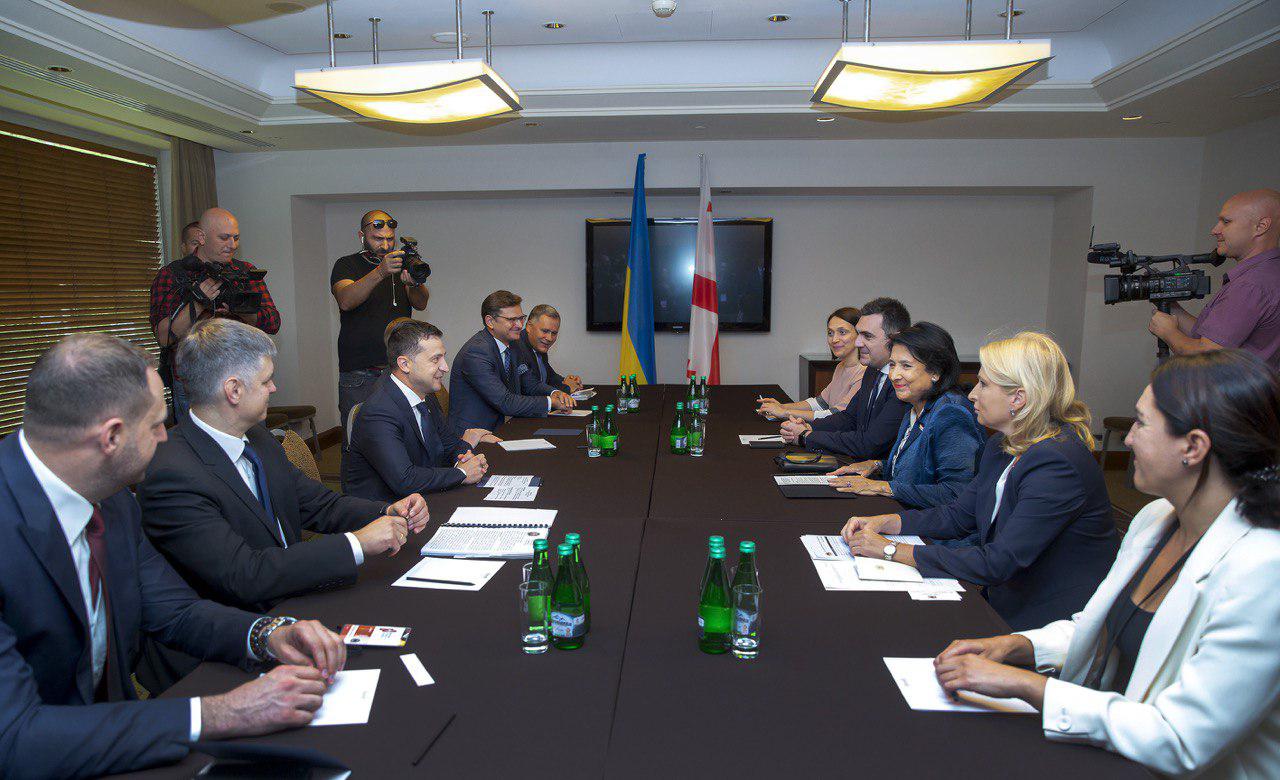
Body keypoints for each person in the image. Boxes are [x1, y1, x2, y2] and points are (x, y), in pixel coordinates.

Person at [0, 333, 350, 779]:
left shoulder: (113, 499)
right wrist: (220, 712)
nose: (166, 436)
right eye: (155, 425)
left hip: (119, 741)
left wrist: (266, 633)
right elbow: (14, 738)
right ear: (111, 437)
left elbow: (175, 611)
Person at [932, 350, 1280, 779]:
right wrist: (1018, 646)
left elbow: (1181, 739)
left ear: (1193, 447)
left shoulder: (1264, 570)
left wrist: (1027, 684)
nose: (1127, 439)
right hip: (1111, 749)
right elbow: (1100, 625)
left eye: (1141, 423)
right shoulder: (1155, 519)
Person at [139, 318, 428, 615]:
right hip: (249, 621)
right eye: (266, 381)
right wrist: (356, 543)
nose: (274, 388)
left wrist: (386, 511)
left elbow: (318, 504)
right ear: (234, 390)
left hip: (297, 593)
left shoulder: (257, 437)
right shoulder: (173, 474)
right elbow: (244, 574)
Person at [840, 332, 1118, 630]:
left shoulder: (1057, 463)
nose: (972, 394)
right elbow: (959, 515)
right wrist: (888, 522)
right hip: (1003, 597)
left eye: (984, 385)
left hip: (1050, 623)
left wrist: (890, 550)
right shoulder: (1001, 444)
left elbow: (999, 561)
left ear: (1018, 398)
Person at [826, 322, 984, 509]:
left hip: (929, 525)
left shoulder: (952, 413)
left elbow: (954, 493)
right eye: (892, 365)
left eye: (906, 366)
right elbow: (918, 469)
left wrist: (882, 487)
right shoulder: (915, 403)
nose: (894, 375)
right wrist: (876, 465)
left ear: (935, 372)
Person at [150, 207, 280, 420]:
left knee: (251, 441)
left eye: (236, 238)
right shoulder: (172, 275)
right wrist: (199, 301)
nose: (232, 245)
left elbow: (273, 323)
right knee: (200, 442)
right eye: (224, 238)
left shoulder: (245, 272)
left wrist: (241, 310)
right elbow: (163, 337)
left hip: (245, 377)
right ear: (202, 237)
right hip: (194, 384)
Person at [345, 319, 497, 501]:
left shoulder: (426, 395)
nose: (445, 367)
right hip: (386, 510)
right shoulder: (378, 412)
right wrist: (462, 473)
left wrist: (466, 458)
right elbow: (405, 480)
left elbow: (450, 445)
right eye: (435, 359)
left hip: (424, 497)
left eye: (443, 357)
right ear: (405, 364)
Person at [1149, 188, 1280, 367]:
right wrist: (1173, 307)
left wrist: (1169, 333)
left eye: (1226, 222)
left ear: (1261, 226)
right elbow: (1213, 339)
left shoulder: (1249, 285)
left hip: (1233, 385)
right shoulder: (1269, 272)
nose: (1214, 230)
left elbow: (1207, 356)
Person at [330, 210, 430, 439]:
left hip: (398, 369)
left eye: (389, 238)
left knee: (402, 435)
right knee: (359, 439)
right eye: (377, 238)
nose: (385, 245)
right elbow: (346, 300)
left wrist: (414, 284)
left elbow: (421, 303)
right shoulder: (347, 264)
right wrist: (380, 272)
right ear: (362, 236)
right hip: (360, 372)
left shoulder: (401, 264)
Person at [781, 297, 911, 460]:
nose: (858, 343)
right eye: (859, 334)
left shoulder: (903, 383)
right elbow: (848, 418)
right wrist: (810, 427)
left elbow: (869, 444)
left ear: (895, 340)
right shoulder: (872, 371)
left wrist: (806, 436)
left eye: (867, 336)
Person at [448, 290, 576, 435]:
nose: (519, 325)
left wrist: (555, 392)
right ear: (490, 321)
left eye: (521, 318)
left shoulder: (513, 345)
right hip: (472, 436)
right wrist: (550, 402)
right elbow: (505, 401)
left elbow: (530, 384)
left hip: (502, 427)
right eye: (512, 320)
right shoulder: (476, 352)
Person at [757, 307, 865, 422]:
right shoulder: (841, 366)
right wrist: (782, 407)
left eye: (842, 332)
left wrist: (784, 413)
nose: (834, 339)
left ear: (859, 335)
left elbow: (836, 415)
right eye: (830, 333)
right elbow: (820, 403)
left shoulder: (864, 373)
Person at [513, 304, 585, 394]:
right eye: (545, 331)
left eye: (554, 333)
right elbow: (531, 388)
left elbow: (549, 376)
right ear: (529, 327)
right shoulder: (516, 348)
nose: (549, 338)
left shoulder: (538, 345)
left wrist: (567, 381)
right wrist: (567, 388)